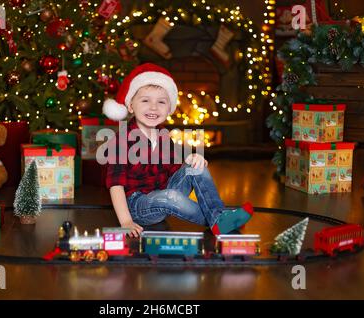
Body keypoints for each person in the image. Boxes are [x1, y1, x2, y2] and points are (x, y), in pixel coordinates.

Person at [102, 63, 253, 238]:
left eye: (161, 102)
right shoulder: (121, 140)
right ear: (130, 106)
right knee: (170, 196)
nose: (153, 107)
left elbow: (177, 171)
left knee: (196, 168)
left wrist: (192, 159)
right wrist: (126, 221)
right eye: (145, 100)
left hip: (165, 195)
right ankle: (219, 220)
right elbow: (116, 184)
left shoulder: (163, 136)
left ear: (169, 108)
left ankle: (218, 217)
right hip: (138, 206)